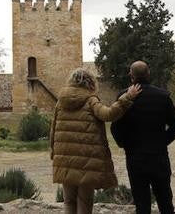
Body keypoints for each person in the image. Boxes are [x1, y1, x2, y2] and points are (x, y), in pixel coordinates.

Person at [50, 67, 142, 214]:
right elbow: (108, 114)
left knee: (68, 202)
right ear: (90, 82)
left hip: (64, 159)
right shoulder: (91, 100)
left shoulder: (61, 101)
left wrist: (53, 153)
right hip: (87, 160)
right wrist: (127, 98)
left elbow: (53, 129)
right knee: (84, 202)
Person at [110, 61, 175, 214]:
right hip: (159, 156)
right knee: (165, 202)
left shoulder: (124, 97)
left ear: (131, 75)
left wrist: (125, 144)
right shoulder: (163, 96)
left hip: (135, 158)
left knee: (142, 204)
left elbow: (115, 127)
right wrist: (162, 141)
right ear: (148, 74)